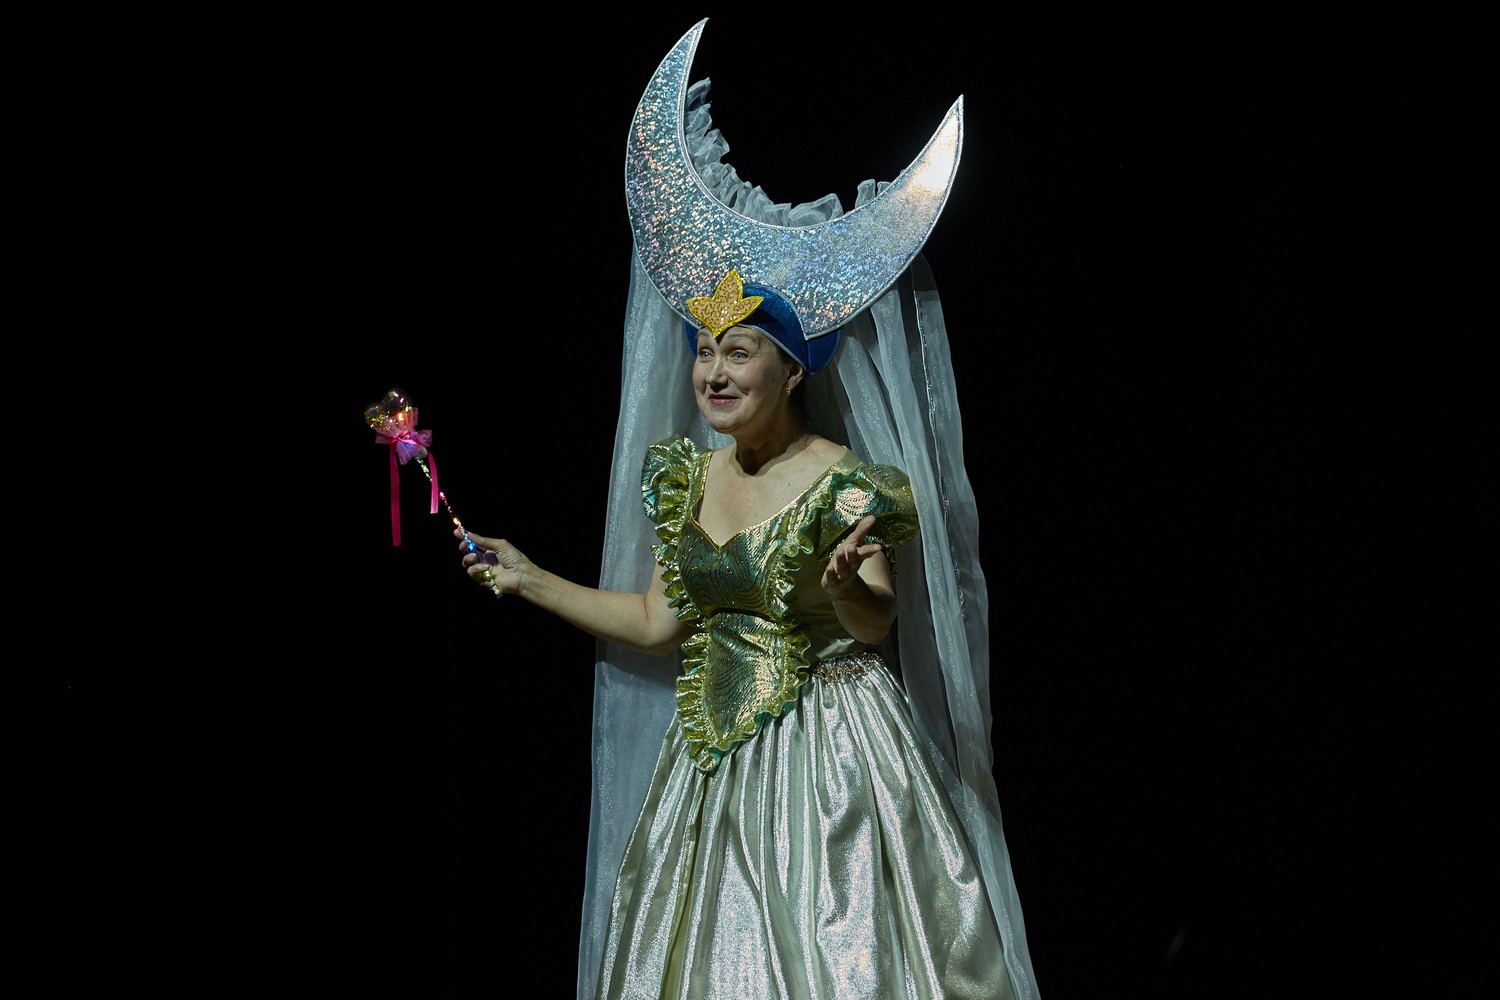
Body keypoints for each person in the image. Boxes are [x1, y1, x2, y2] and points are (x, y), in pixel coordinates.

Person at [458, 20, 1038, 1000]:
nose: (714, 372)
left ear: (792, 368)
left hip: (832, 761)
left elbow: (877, 621)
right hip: (714, 771)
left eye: (739, 353)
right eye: (704, 351)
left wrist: (847, 588)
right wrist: (529, 577)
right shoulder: (690, 477)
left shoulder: (841, 476)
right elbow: (658, 620)